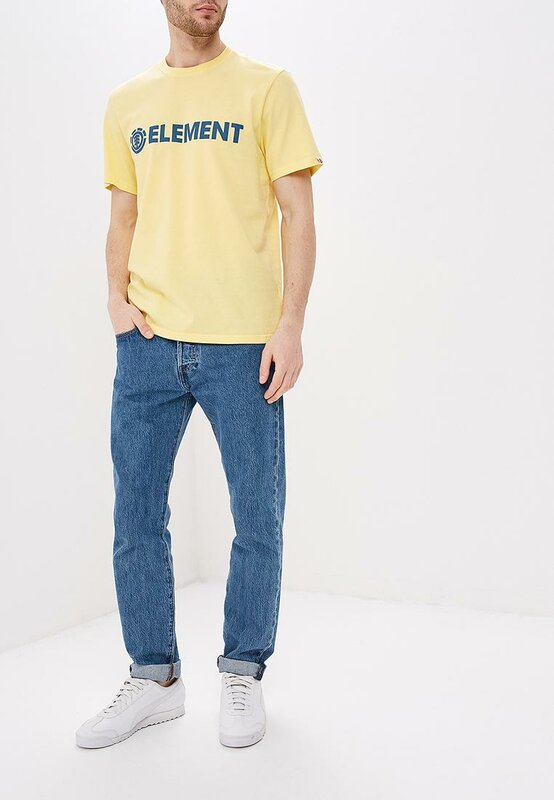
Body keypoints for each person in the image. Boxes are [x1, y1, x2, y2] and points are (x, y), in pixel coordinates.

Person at [76, 0, 323, 750]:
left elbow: (298, 213)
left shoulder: (268, 87)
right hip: (149, 342)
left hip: (244, 344)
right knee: (135, 517)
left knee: (258, 517)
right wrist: (116, 301)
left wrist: (290, 325)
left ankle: (243, 671)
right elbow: (123, 215)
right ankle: (154, 679)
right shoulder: (128, 102)